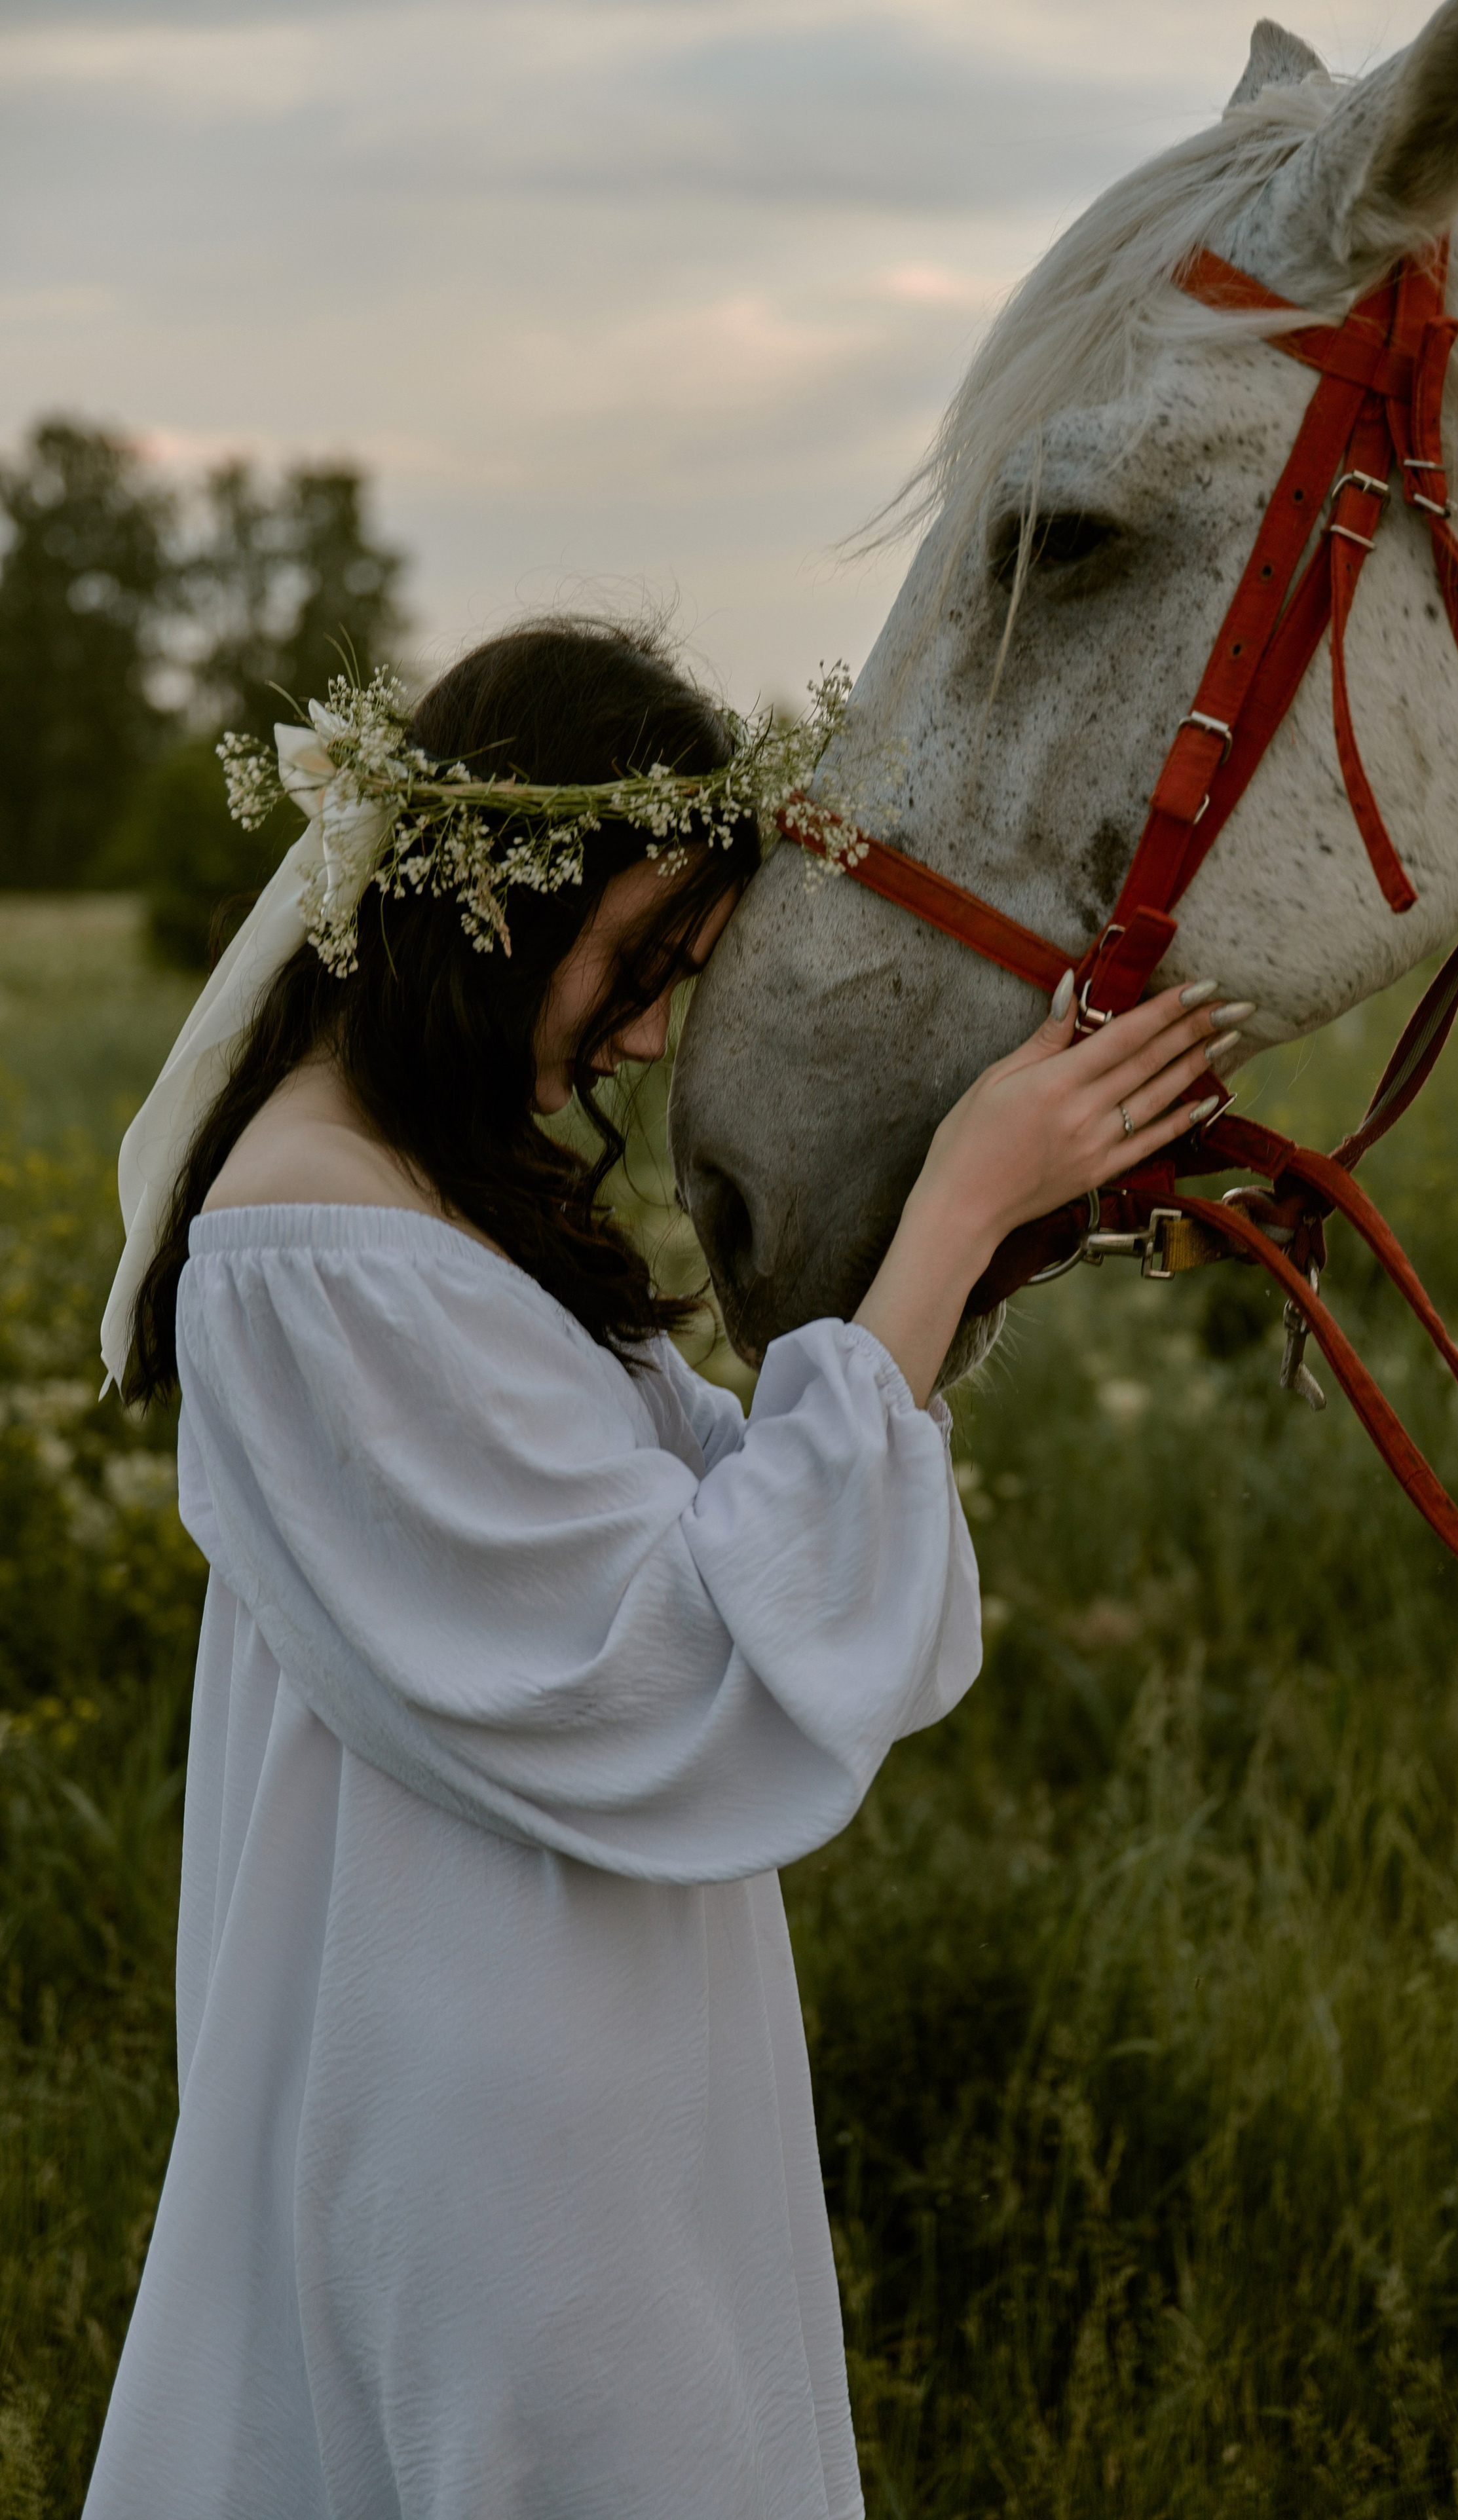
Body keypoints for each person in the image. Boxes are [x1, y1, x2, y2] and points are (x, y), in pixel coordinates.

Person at [84, 618, 1246, 2520]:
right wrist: (952, 1209)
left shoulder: (416, 1184)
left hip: (583, 2010)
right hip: (493, 2072)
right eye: (633, 969)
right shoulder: (315, 1248)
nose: (644, 1038)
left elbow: (728, 1502)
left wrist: (992, 1217)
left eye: (676, 979)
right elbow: (669, 1640)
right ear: (489, 916)